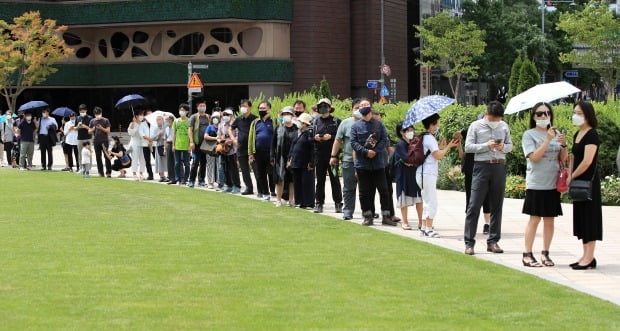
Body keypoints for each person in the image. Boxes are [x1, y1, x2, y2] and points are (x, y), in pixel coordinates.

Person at [520, 102, 568, 267]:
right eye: (539, 114)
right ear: (533, 116)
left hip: (552, 183)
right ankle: (527, 253)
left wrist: (564, 145)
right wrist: (547, 140)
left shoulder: (556, 133)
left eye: (546, 113)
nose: (543, 116)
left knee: (549, 220)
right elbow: (534, 157)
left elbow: (562, 159)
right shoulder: (529, 135)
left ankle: (545, 253)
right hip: (536, 183)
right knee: (535, 219)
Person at [463, 101, 513, 255]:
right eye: (493, 119)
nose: (495, 122)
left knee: (497, 205)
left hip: (499, 165)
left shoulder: (504, 126)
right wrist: (486, 146)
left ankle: (493, 241)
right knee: (474, 204)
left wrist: (502, 147)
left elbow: (510, 146)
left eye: (498, 119)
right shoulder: (476, 126)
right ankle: (469, 243)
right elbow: (468, 147)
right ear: (487, 114)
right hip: (481, 166)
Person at [567, 101, 602, 270]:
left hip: (588, 182)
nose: (576, 115)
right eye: (574, 112)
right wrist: (568, 174)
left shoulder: (592, 135)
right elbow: (574, 157)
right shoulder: (578, 134)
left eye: (579, 113)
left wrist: (572, 175)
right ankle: (586, 255)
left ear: (588, 115)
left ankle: (589, 257)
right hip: (577, 181)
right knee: (581, 219)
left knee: (590, 218)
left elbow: (587, 161)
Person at [350, 106, 397, 226]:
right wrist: (366, 152)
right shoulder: (356, 126)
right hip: (362, 164)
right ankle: (367, 216)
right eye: (363, 115)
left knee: (384, 190)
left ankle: (386, 216)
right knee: (364, 192)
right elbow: (353, 143)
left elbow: (384, 140)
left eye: (367, 114)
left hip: (378, 163)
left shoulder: (379, 125)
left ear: (370, 113)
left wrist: (375, 151)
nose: (366, 117)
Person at [416, 114, 458, 237]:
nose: (438, 126)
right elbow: (437, 156)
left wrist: (441, 146)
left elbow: (431, 152)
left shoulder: (423, 136)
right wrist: (449, 147)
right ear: (432, 124)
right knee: (431, 202)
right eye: (437, 123)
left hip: (421, 172)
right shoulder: (430, 138)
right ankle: (429, 228)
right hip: (428, 172)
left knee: (427, 200)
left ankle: (424, 227)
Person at [330, 98, 366, 220]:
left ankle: (366, 211)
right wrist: (333, 156)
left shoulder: (368, 123)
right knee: (348, 187)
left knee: (365, 187)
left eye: (360, 108)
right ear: (352, 109)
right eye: (356, 108)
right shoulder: (345, 123)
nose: (358, 110)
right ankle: (348, 210)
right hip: (348, 160)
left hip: (365, 161)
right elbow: (338, 140)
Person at [457, 125, 491, 234]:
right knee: (471, 198)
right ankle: (471, 224)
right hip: (471, 169)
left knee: (486, 197)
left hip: (483, 168)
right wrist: (458, 142)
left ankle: (487, 224)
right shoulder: (470, 130)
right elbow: (462, 154)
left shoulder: (489, 133)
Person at [312, 98, 342, 213]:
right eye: (320, 106)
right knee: (320, 180)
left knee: (335, 180)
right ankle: (319, 203)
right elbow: (309, 136)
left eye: (325, 106)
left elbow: (340, 138)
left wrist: (331, 137)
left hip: (332, 155)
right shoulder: (314, 121)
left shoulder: (336, 121)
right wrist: (315, 138)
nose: (322, 108)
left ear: (330, 108)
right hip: (319, 155)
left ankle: (338, 203)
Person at [393, 123, 424, 230]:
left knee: (419, 198)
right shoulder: (400, 145)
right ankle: (405, 222)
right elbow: (407, 159)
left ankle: (421, 222)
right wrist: (412, 160)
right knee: (403, 198)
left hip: (415, 173)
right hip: (403, 175)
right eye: (408, 130)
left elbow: (419, 157)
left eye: (412, 129)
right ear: (402, 132)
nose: (411, 132)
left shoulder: (414, 143)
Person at [248, 101, 276, 200]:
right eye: (260, 108)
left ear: (269, 109)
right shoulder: (255, 122)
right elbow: (251, 138)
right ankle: (265, 193)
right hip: (258, 152)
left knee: (272, 172)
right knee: (261, 173)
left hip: (271, 152)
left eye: (264, 108)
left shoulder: (274, 121)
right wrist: (250, 153)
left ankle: (273, 190)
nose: (261, 110)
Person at [272, 106, 298, 207]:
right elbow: (273, 143)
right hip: (280, 157)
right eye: (284, 114)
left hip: (292, 157)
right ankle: (278, 199)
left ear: (292, 116)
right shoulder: (278, 128)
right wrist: (272, 156)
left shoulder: (296, 128)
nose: (286, 116)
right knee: (280, 178)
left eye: (288, 114)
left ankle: (291, 200)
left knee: (292, 179)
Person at [230, 99, 257, 195]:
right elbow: (231, 128)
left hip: (252, 149)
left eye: (245, 106)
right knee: (245, 170)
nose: (243, 108)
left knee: (256, 169)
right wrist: (233, 138)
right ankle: (249, 188)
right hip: (241, 148)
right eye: (242, 106)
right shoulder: (238, 119)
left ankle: (261, 189)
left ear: (250, 107)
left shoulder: (255, 119)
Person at [289, 113, 315, 209]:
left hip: (306, 162)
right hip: (296, 161)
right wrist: (290, 159)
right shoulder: (297, 132)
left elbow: (312, 149)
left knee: (306, 182)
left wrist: (311, 162)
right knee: (297, 182)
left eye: (300, 122)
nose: (298, 123)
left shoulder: (309, 133)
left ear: (305, 123)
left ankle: (309, 202)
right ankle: (300, 202)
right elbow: (292, 147)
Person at [188, 101, 210, 188]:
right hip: (196, 143)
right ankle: (191, 180)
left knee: (204, 162)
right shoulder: (194, 117)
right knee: (195, 162)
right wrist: (191, 142)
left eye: (204, 105)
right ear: (197, 107)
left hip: (206, 144)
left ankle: (201, 180)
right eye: (200, 106)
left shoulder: (208, 117)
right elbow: (190, 130)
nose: (202, 107)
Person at [219, 108, 241, 193]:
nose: (225, 116)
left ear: (231, 116)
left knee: (233, 168)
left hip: (233, 149)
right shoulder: (221, 124)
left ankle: (237, 185)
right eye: (224, 115)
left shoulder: (235, 124)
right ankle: (229, 185)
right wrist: (221, 139)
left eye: (227, 115)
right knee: (225, 168)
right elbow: (218, 135)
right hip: (224, 149)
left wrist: (231, 140)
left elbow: (238, 136)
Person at [88, 107, 112, 177]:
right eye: (96, 114)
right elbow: (89, 131)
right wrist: (93, 129)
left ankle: (108, 172)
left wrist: (101, 128)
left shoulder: (106, 120)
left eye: (99, 114)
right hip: (96, 141)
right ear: (94, 114)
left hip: (104, 141)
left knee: (106, 157)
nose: (98, 115)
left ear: (101, 113)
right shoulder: (92, 121)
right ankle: (100, 172)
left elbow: (108, 131)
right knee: (98, 157)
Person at [171, 104, 191, 185]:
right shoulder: (176, 121)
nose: (181, 111)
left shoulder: (189, 121)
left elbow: (191, 134)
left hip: (186, 146)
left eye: (183, 110)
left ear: (187, 111)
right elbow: (174, 134)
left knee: (187, 163)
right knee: (177, 163)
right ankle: (177, 178)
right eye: (180, 110)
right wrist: (173, 144)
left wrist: (190, 145)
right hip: (177, 145)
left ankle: (185, 179)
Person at [203, 111, 220, 189]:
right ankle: (210, 182)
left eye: (217, 117)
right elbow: (205, 136)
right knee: (210, 165)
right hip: (210, 149)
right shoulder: (210, 127)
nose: (215, 119)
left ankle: (220, 182)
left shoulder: (221, 126)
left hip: (220, 148)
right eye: (214, 117)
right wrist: (215, 138)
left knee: (220, 165)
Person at [128, 111, 146, 180]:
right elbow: (131, 133)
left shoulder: (144, 124)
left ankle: (141, 173)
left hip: (142, 144)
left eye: (142, 115)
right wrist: (133, 123)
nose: (142, 116)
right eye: (140, 115)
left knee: (143, 159)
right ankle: (134, 174)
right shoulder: (132, 124)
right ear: (136, 116)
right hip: (134, 144)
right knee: (135, 159)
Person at [151, 114, 168, 182]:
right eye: (157, 120)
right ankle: (161, 176)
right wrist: (159, 134)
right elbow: (153, 138)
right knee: (159, 161)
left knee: (167, 161)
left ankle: (168, 176)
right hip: (159, 146)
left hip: (166, 146)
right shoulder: (155, 128)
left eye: (160, 119)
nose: (159, 121)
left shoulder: (166, 127)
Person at [75, 104, 92, 168]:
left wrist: (85, 126)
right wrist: (78, 126)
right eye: (81, 112)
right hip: (80, 138)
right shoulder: (78, 118)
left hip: (88, 138)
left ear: (86, 111)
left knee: (88, 153)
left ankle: (88, 167)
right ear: (79, 111)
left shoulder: (90, 118)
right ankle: (81, 167)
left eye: (83, 111)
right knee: (80, 153)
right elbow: (75, 128)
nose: (82, 113)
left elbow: (92, 129)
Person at [164, 115, 176, 183]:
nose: (167, 121)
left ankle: (178, 177)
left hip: (174, 144)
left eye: (168, 120)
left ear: (171, 120)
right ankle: (171, 178)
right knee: (169, 162)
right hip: (168, 144)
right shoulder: (166, 128)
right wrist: (164, 149)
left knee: (176, 162)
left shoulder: (175, 127)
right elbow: (165, 139)